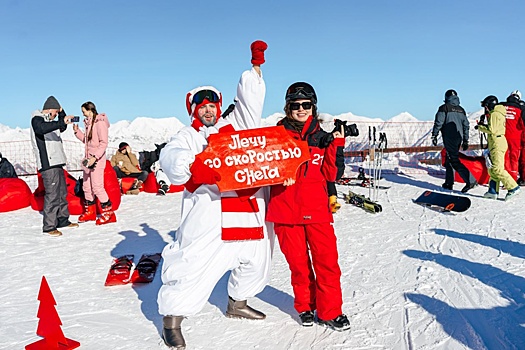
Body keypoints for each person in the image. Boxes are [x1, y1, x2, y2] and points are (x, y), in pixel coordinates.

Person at [157, 40, 273, 349]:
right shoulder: (188, 135)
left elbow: (250, 110)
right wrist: (194, 166)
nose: (208, 110)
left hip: (246, 209)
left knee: (256, 259)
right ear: (194, 110)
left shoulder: (233, 126)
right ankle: (173, 320)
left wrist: (255, 69)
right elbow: (171, 156)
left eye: (212, 105)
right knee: (191, 263)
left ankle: (237, 302)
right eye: (202, 106)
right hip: (209, 214)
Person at [266, 82, 350, 331]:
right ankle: (305, 306)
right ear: (287, 107)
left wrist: (337, 144)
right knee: (299, 265)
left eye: (306, 105)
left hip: (317, 210)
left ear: (313, 107)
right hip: (285, 210)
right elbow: (261, 169)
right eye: (295, 105)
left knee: (327, 263)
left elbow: (331, 173)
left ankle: (331, 312)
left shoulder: (322, 137)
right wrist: (280, 175)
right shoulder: (276, 136)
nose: (301, 109)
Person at [30, 96, 79, 236]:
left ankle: (62, 219)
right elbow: (41, 129)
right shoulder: (37, 119)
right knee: (52, 194)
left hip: (57, 161)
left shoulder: (52, 121)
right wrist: (59, 120)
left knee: (62, 192)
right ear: (49, 110)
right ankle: (49, 226)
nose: (56, 116)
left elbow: (61, 126)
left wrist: (62, 113)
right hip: (48, 163)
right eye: (55, 112)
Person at [73, 101, 116, 225]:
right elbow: (87, 141)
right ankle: (90, 212)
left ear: (89, 110)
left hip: (96, 160)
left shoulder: (100, 123)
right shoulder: (88, 123)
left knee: (97, 187)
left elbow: (103, 143)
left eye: (84, 111)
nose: (83, 114)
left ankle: (109, 214)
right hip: (88, 160)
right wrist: (77, 132)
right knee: (86, 187)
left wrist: (95, 157)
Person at [431, 89, 477, 192]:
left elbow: (439, 122)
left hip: (449, 137)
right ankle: (448, 183)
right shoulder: (461, 109)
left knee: (454, 160)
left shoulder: (444, 108)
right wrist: (465, 140)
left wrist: (434, 135)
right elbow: (466, 125)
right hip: (458, 138)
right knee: (449, 159)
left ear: (446, 97)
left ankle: (471, 180)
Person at [476, 95, 521, 200]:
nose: (485, 108)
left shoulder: (495, 114)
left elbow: (492, 130)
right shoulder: (496, 113)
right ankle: (492, 191)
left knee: (497, 168)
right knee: (492, 169)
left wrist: (480, 127)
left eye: (486, 106)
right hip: (496, 142)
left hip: (497, 143)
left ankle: (513, 187)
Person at [499, 90, 525, 181]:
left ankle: (504, 179)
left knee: (504, 157)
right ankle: (512, 180)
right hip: (516, 137)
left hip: (502, 136)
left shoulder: (501, 106)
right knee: (514, 159)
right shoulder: (521, 109)